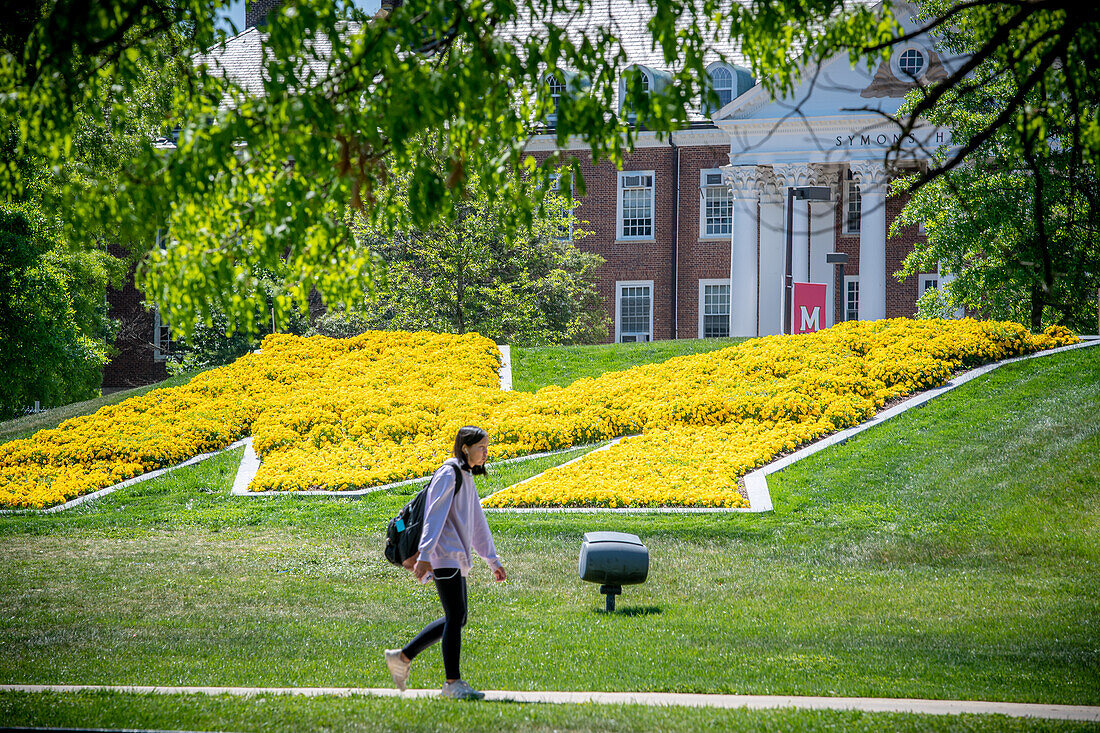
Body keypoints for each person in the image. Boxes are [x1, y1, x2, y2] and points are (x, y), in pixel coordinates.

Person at [385, 425, 507, 700]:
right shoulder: (449, 472)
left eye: (487, 447)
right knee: (455, 616)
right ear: (465, 448)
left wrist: (492, 560)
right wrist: (426, 556)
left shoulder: (465, 475)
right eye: (481, 447)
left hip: (453, 555)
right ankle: (451, 683)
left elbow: (477, 522)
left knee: (458, 617)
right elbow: (434, 515)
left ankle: (403, 657)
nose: (486, 453)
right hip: (443, 555)